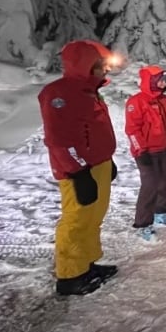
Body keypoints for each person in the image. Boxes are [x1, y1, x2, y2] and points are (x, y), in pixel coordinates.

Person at [37, 40, 119, 296]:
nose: (105, 70)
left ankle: (87, 264)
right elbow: (59, 139)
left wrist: (107, 159)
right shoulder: (59, 94)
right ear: (84, 66)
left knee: (94, 217)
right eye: (100, 66)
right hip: (77, 171)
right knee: (76, 220)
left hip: (97, 165)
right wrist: (79, 170)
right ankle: (70, 276)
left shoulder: (88, 91)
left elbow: (92, 131)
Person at [125, 65, 166, 241]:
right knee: (150, 185)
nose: (164, 84)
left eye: (165, 80)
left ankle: (162, 211)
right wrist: (141, 151)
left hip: (165, 149)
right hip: (146, 152)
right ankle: (143, 223)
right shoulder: (136, 102)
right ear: (151, 81)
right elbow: (132, 130)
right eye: (160, 80)